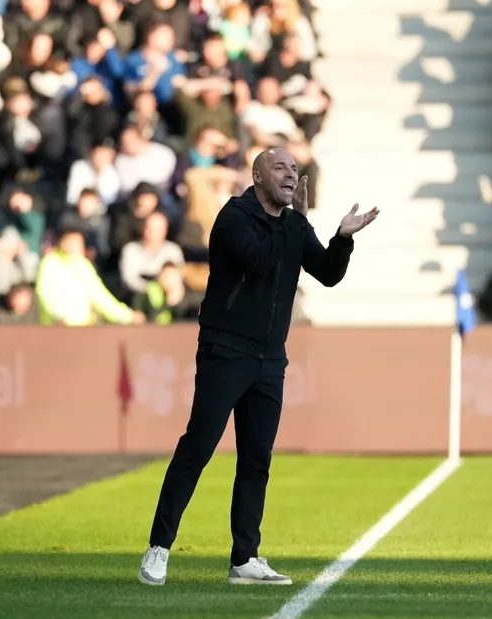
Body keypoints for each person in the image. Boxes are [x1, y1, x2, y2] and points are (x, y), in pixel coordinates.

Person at [138, 147, 380, 586]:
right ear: (258, 176)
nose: (291, 174)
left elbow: (326, 272)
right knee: (199, 447)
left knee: (256, 458)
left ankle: (244, 558)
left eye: (294, 168)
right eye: (280, 168)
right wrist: (295, 221)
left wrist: (342, 238)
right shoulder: (234, 217)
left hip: (271, 358)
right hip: (226, 350)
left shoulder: (291, 224)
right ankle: (158, 547)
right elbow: (259, 259)